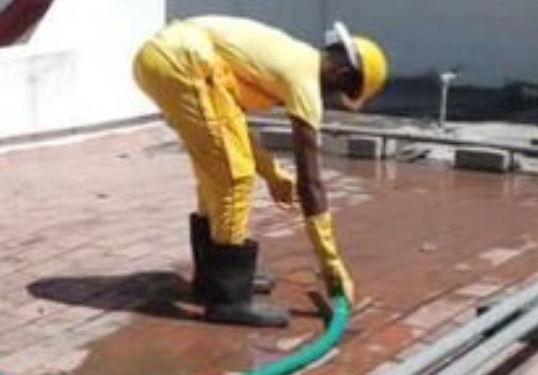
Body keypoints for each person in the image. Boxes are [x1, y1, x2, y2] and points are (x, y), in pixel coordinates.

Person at [131, 16, 387, 328]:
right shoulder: (303, 78)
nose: (332, 99)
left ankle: (213, 279)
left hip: (168, 56)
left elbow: (231, 122)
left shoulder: (287, 57)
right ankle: (228, 299)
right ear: (341, 72)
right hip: (183, 59)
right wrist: (332, 266)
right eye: (342, 91)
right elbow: (311, 182)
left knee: (218, 165)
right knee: (233, 177)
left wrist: (272, 172)